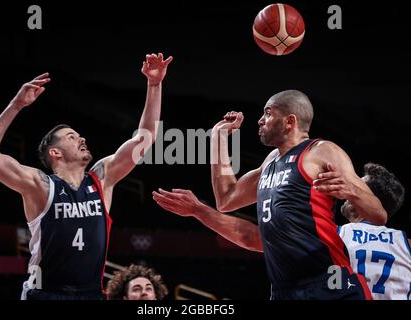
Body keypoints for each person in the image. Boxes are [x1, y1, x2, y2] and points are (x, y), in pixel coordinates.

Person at [0, 53, 173, 300]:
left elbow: (145, 139)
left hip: (90, 295)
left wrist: (154, 85)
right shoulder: (40, 185)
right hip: (46, 294)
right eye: (71, 137)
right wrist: (16, 105)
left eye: (79, 136)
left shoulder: (102, 178)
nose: (81, 139)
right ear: (55, 152)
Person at [153, 89, 387, 300]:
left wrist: (352, 191)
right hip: (284, 290)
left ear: (289, 121)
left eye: (268, 113)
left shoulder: (322, 151)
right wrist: (218, 139)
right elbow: (226, 199)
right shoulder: (270, 162)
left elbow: (378, 215)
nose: (260, 120)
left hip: (329, 283)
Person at [338, 163, 411, 300]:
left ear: (370, 199)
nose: (350, 190)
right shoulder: (406, 244)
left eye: (357, 187)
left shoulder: (333, 235)